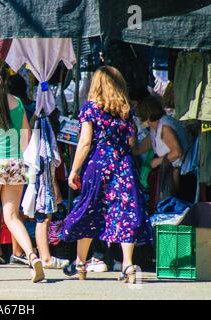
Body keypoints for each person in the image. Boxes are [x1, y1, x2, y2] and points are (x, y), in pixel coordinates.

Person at [61, 66, 152, 283]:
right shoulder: (126, 110)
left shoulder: (91, 108)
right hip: (123, 164)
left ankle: (81, 262)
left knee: (90, 209)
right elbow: (131, 142)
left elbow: (84, 142)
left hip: (98, 163)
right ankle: (128, 265)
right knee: (126, 210)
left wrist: (73, 170)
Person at [0, 63, 45, 282]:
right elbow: (26, 135)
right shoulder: (18, 103)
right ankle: (32, 257)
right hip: (15, 164)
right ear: (6, 81)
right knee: (12, 216)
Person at [8, 73, 68, 269]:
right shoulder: (33, 108)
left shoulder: (13, 109)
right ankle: (40, 255)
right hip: (37, 163)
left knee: (16, 211)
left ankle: (19, 252)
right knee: (42, 210)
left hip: (20, 161)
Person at [133, 96, 191, 196]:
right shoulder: (154, 129)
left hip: (183, 176)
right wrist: (132, 132)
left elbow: (177, 152)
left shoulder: (165, 127)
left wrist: (157, 161)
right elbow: (137, 150)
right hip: (171, 174)